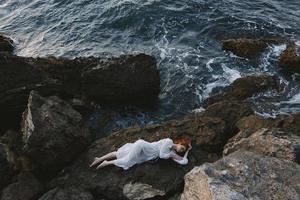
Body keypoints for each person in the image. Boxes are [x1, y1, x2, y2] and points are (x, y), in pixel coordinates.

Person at [90, 137, 192, 170]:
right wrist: (171, 155)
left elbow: (184, 162)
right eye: (182, 147)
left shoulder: (170, 152)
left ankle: (99, 159)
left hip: (145, 154)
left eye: (182, 150)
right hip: (142, 146)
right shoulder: (169, 141)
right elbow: (161, 155)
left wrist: (187, 151)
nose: (180, 150)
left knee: (119, 154)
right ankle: (106, 162)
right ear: (179, 143)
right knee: (127, 160)